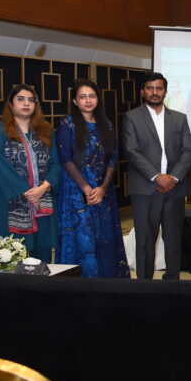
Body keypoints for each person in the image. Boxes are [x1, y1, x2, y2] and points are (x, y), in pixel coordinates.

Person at [123, 72, 191, 280]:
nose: (154, 92)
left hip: (174, 189)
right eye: (150, 88)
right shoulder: (132, 117)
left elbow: (188, 150)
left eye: (159, 88)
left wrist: (173, 177)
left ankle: (172, 283)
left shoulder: (179, 118)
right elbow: (131, 151)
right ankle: (145, 286)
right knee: (145, 240)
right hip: (145, 190)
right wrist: (157, 176)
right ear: (142, 91)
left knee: (173, 240)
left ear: (165, 91)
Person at [55, 79, 129, 278]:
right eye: (82, 97)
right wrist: (86, 188)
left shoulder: (107, 124)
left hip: (103, 191)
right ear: (75, 100)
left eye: (92, 96)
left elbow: (113, 158)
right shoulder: (67, 123)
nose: (88, 100)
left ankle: (106, 284)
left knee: (104, 238)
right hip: (76, 192)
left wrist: (103, 188)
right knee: (82, 239)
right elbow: (66, 159)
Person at [0, 85, 61, 262]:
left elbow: (56, 163)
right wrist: (28, 193)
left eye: (31, 100)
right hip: (12, 201)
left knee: (42, 255)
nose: (26, 103)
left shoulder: (46, 131)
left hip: (43, 201)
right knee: (12, 256)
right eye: (20, 99)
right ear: (11, 104)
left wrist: (44, 187)